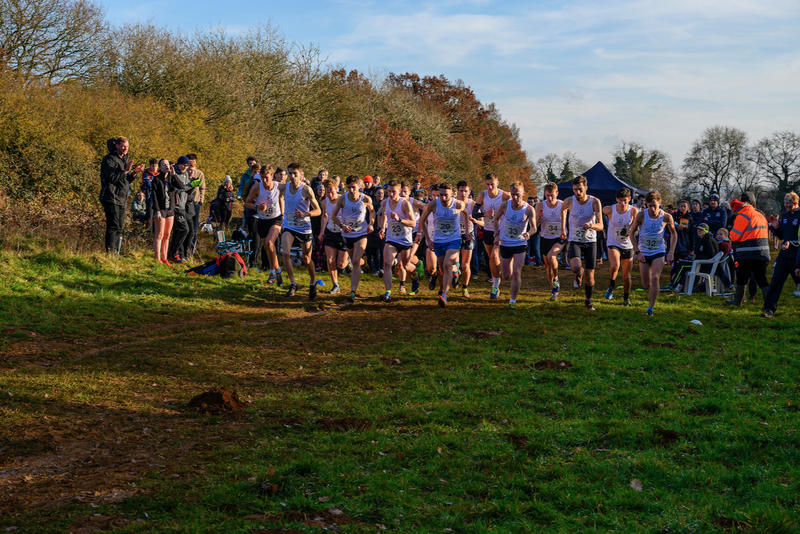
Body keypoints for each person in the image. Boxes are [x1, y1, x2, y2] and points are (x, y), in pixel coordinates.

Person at [419, 182, 467, 307]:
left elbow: (466, 214)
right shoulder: (433, 204)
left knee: (446, 264)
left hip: (454, 239)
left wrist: (465, 231)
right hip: (438, 240)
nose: (443, 198)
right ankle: (455, 271)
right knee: (442, 270)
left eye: (446, 195)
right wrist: (429, 239)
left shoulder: (458, 204)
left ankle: (444, 295)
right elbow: (422, 221)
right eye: (441, 195)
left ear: (452, 194)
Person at [630, 191, 677, 316]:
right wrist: (637, 251)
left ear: (660, 204)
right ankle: (652, 292)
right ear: (646, 205)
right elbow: (631, 233)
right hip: (644, 252)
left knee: (655, 277)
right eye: (649, 206)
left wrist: (671, 252)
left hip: (658, 251)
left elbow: (673, 234)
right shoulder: (641, 215)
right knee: (646, 284)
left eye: (654, 206)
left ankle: (650, 308)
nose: (652, 209)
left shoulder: (666, 217)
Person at [560, 175, 603, 310]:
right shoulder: (569, 201)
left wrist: (591, 225)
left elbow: (601, 225)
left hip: (590, 241)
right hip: (575, 240)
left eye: (580, 189)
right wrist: (563, 229)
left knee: (590, 276)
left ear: (586, 188)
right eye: (574, 190)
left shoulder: (595, 202)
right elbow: (562, 211)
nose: (577, 193)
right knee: (575, 267)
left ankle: (588, 301)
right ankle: (579, 272)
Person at [279, 163, 321, 299]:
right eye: (290, 173)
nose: (292, 176)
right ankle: (293, 283)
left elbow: (318, 211)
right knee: (285, 253)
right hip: (289, 225)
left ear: (301, 174)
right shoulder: (284, 188)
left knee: (307, 259)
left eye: (295, 173)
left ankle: (312, 283)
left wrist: (305, 214)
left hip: (304, 227)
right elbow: (273, 192)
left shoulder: (306, 190)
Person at [331, 175, 375, 303]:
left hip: (361, 233)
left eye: (354, 188)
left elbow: (372, 212)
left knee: (355, 261)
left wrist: (371, 224)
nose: (351, 190)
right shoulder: (342, 199)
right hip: (347, 235)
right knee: (354, 260)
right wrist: (342, 226)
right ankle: (363, 262)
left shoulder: (366, 199)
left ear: (359, 187)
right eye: (349, 187)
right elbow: (333, 216)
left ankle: (352, 291)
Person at [721, 191, 769, 306]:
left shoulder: (743, 215)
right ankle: (769, 303)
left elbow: (735, 235)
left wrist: (730, 233)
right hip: (763, 252)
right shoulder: (761, 215)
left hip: (746, 253)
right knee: (762, 279)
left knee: (742, 278)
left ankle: (737, 301)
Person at [494, 181, 536, 308]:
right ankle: (506, 278)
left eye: (517, 194)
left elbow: (534, 228)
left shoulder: (529, 209)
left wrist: (529, 233)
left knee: (517, 272)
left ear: (523, 193)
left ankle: (512, 300)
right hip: (505, 243)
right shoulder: (504, 206)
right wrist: (496, 234)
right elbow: (495, 219)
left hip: (520, 243)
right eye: (513, 194)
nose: (515, 197)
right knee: (506, 275)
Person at [99, 136, 144, 253]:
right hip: (111, 197)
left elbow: (124, 180)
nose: (125, 149)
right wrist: (125, 170)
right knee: (113, 226)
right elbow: (112, 178)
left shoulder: (124, 160)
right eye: (123, 146)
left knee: (119, 227)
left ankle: (116, 253)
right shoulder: (109, 159)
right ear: (117, 146)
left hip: (122, 198)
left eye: (127, 147)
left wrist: (134, 172)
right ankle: (110, 253)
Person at [762, 192, 800, 317]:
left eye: (788, 203)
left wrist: (791, 243)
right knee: (776, 281)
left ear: (795, 203)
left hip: (797, 254)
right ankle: (769, 309)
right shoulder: (784, 216)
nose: (786, 206)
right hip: (784, 253)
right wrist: (776, 228)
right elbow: (782, 236)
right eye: (785, 203)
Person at [245, 165, 284, 285]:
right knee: (268, 248)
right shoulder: (257, 187)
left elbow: (282, 198)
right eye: (262, 178)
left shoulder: (279, 187)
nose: (264, 180)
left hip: (276, 219)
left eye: (266, 177)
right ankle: (277, 271)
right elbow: (247, 203)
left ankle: (272, 272)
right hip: (262, 220)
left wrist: (283, 215)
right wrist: (257, 207)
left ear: (272, 176)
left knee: (269, 242)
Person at [379, 180, 416, 301]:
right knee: (387, 263)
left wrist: (399, 219)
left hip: (405, 240)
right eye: (388, 191)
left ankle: (415, 275)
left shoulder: (404, 204)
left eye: (393, 192)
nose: (390, 194)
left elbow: (413, 223)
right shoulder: (385, 202)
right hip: (391, 238)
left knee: (405, 265)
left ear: (399, 191)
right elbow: (384, 214)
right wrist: (382, 228)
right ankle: (388, 292)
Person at [476, 173, 511, 299]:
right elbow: (475, 214)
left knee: (494, 255)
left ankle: (495, 285)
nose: (490, 187)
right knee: (492, 258)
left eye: (492, 184)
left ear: (498, 183)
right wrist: (485, 214)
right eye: (488, 184)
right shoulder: (482, 195)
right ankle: (496, 280)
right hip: (488, 230)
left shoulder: (505, 195)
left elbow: (518, 207)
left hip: (502, 230)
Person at [602, 187, 637, 305]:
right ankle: (612, 285)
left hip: (628, 245)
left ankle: (626, 298)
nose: (622, 204)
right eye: (620, 201)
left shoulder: (633, 211)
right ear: (617, 199)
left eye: (625, 201)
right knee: (615, 265)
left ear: (630, 199)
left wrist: (633, 231)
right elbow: (597, 211)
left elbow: (639, 225)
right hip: (613, 243)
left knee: (627, 276)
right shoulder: (609, 210)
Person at [167, 156, 200, 263]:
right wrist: (190, 185)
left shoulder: (185, 174)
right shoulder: (173, 173)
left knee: (182, 230)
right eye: (184, 165)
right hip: (175, 206)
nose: (185, 167)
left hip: (183, 205)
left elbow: (186, 190)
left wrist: (193, 187)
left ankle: (174, 253)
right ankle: (173, 253)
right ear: (179, 164)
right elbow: (180, 187)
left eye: (187, 165)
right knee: (183, 229)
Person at [318, 178, 348, 294]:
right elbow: (324, 216)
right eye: (327, 192)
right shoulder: (324, 202)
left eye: (332, 191)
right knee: (330, 260)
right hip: (330, 232)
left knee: (341, 264)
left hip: (343, 233)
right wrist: (321, 231)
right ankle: (335, 285)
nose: (329, 194)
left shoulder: (343, 200)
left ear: (337, 189)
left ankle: (352, 260)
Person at [536, 182, 565, 301]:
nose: (549, 198)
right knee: (548, 265)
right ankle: (553, 290)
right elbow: (535, 224)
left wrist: (564, 231)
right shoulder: (540, 205)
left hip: (559, 237)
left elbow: (568, 218)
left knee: (551, 256)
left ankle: (556, 280)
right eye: (547, 195)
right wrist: (539, 217)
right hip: (545, 237)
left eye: (552, 195)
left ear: (557, 193)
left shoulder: (563, 205)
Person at [456, 181, 481, 298]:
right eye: (461, 191)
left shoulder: (473, 204)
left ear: (469, 191)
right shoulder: (452, 202)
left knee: (465, 265)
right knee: (453, 263)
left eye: (466, 191)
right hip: (454, 234)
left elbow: (483, 223)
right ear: (457, 191)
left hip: (469, 235)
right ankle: (455, 275)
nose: (463, 193)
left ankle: (465, 288)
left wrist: (476, 221)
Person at [150, 159, 177, 265]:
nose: (166, 166)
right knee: (159, 234)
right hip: (160, 209)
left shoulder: (171, 178)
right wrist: (157, 211)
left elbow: (181, 186)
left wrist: (174, 175)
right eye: (163, 165)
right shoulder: (156, 180)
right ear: (160, 167)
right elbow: (154, 196)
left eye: (167, 164)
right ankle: (157, 259)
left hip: (170, 210)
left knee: (167, 235)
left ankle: (164, 258)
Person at [186, 154, 206, 256]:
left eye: (192, 161)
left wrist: (201, 200)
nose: (191, 164)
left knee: (194, 227)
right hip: (185, 203)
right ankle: (183, 249)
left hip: (196, 202)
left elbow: (202, 188)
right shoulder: (184, 172)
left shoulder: (200, 173)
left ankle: (191, 250)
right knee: (185, 227)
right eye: (189, 162)